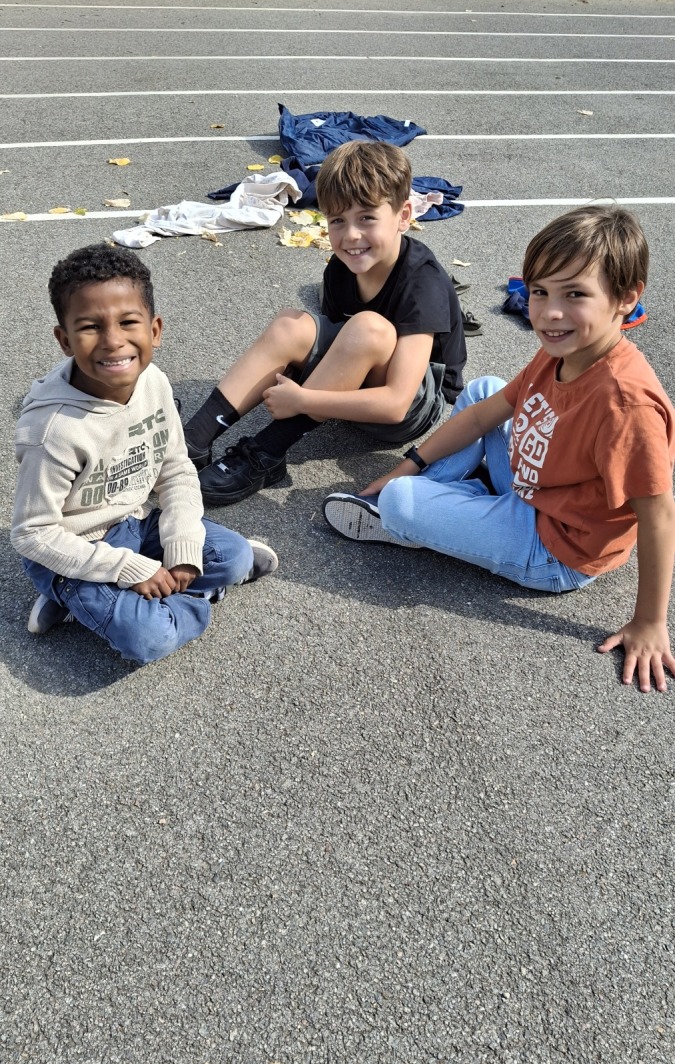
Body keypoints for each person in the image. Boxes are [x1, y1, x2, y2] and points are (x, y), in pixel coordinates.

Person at [322, 206, 675, 693]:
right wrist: (409, 464)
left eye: (575, 294)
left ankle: (412, 518)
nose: (550, 313)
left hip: (555, 549)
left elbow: (658, 515)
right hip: (537, 489)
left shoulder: (626, 406)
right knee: (484, 390)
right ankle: (452, 499)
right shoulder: (566, 349)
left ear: (626, 298)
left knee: (400, 502)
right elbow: (481, 415)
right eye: (540, 292)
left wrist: (650, 623)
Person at [11, 244, 278, 665]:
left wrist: (183, 546)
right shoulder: (53, 431)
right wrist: (131, 570)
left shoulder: (154, 381)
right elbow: (32, 534)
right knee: (149, 638)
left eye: (128, 322)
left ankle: (98, 609)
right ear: (64, 340)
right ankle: (70, 595)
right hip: (74, 549)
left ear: (155, 330)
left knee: (235, 557)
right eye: (90, 327)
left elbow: (176, 470)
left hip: (133, 523)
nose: (113, 341)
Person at [182, 140, 466, 505]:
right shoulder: (340, 269)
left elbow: (397, 403)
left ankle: (266, 453)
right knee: (290, 324)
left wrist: (303, 399)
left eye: (367, 218)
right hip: (363, 378)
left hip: (413, 407)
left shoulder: (422, 282)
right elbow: (334, 346)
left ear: (404, 215)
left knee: (368, 327)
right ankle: (193, 441)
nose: (350, 235)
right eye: (337, 220)